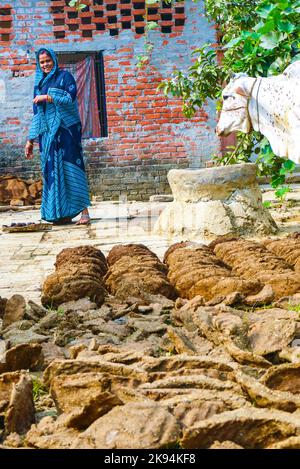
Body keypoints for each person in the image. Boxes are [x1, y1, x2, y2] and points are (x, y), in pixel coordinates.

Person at [25, 47, 91, 225]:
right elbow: (37, 115)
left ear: (54, 60)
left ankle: (84, 213)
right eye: (42, 62)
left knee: (72, 169)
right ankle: (61, 213)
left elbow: (69, 99)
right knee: (52, 172)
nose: (45, 64)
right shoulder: (39, 84)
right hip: (48, 137)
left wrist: (47, 97)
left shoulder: (65, 77)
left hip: (66, 133)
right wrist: (30, 140)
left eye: (48, 60)